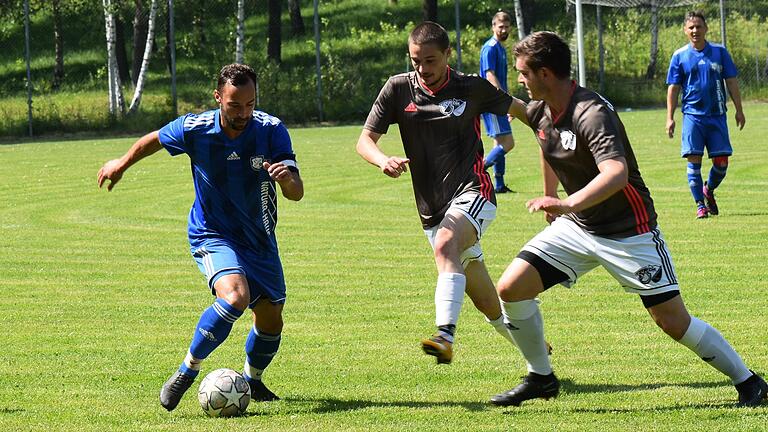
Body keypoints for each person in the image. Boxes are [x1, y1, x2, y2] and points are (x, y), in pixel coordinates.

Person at [489, 31, 766, 408]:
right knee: (512, 288)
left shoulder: (592, 113)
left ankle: (750, 381)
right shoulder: (542, 109)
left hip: (628, 232)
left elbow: (615, 173)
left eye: (523, 73)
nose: (519, 80)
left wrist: (566, 204)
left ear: (546, 74)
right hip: (579, 228)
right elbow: (537, 132)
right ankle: (542, 377)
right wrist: (554, 199)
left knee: (672, 322)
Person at [97, 63, 304, 411]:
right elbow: (155, 140)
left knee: (271, 318)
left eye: (250, 104)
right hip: (212, 232)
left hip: (259, 239)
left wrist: (286, 180)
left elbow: (296, 193)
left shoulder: (271, 130)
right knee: (236, 297)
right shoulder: (196, 128)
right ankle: (186, 371)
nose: (244, 113)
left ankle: (251, 381)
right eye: (235, 105)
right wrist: (121, 162)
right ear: (218, 97)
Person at [356, 21, 539, 366]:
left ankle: (445, 335)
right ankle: (535, 349)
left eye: (430, 60)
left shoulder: (470, 87)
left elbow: (519, 109)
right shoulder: (398, 89)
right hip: (431, 209)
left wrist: (557, 134)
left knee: (445, 243)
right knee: (487, 303)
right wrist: (382, 160)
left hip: (474, 191)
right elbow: (365, 140)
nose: (422, 69)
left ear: (447, 55)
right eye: (415, 61)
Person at [666, 10, 745, 219]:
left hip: (717, 115)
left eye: (698, 26)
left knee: (721, 164)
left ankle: (708, 190)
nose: (695, 31)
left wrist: (739, 109)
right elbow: (673, 88)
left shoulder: (720, 52)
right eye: (691, 27)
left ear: (706, 28)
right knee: (694, 161)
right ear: (685, 30)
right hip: (693, 116)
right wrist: (670, 117)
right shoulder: (679, 56)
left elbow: (732, 82)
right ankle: (700, 205)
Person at [480, 11, 516, 194]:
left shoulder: (500, 48)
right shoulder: (490, 48)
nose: (504, 30)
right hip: (493, 102)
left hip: (497, 101)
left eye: (506, 27)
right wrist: (504, 100)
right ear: (493, 27)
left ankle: (499, 185)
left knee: (499, 142)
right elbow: (489, 75)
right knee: (508, 143)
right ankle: (478, 170)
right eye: (500, 26)